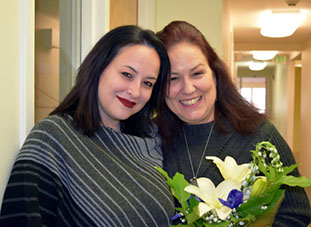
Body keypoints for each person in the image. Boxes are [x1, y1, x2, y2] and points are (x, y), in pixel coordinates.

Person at [0, 25, 175, 226]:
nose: (135, 91)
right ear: (98, 67)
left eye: (148, 83)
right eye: (127, 74)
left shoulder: (150, 143)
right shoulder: (52, 138)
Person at [155, 20, 311, 226]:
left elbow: (297, 212)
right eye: (173, 79)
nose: (188, 88)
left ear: (215, 76)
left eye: (197, 73)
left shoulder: (260, 134)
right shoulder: (150, 140)